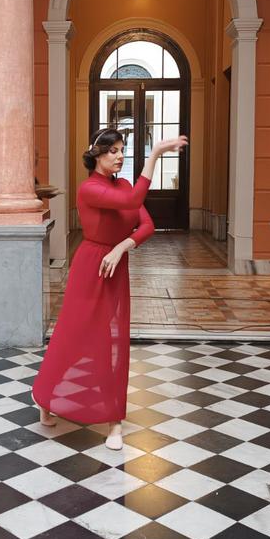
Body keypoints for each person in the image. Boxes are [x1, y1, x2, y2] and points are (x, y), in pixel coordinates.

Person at [32, 128, 188, 450]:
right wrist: (156, 152)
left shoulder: (126, 184)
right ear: (97, 155)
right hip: (90, 268)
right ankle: (45, 398)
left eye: (121, 150)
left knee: (113, 340)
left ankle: (114, 420)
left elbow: (147, 226)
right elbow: (132, 202)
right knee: (71, 335)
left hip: (114, 267)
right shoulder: (89, 188)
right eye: (113, 151)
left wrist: (120, 248)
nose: (119, 156)